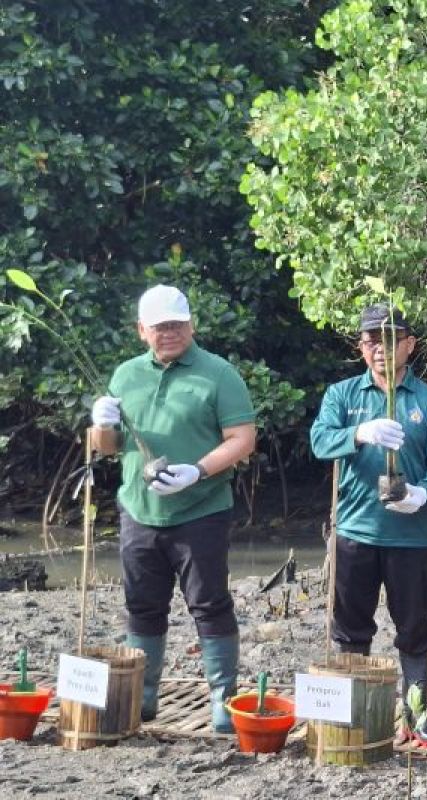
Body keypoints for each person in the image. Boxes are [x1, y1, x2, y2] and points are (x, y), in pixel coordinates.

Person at [89, 285, 256, 732]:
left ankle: (223, 699)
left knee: (209, 603)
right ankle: (143, 699)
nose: (169, 333)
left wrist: (196, 471)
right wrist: (100, 424)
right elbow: (107, 449)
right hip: (139, 510)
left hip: (201, 508)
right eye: (160, 326)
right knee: (142, 606)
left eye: (177, 324)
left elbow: (242, 439)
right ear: (142, 330)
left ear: (191, 325)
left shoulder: (219, 374)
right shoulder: (125, 375)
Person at [310, 304, 427, 747]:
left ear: (408, 346)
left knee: (415, 628)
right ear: (361, 347)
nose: (380, 348)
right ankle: (351, 711)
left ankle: (416, 715)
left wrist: (422, 494)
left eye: (391, 339)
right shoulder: (342, 395)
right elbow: (319, 441)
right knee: (351, 627)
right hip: (355, 531)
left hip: (409, 536)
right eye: (372, 339)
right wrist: (359, 434)